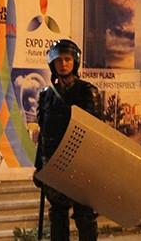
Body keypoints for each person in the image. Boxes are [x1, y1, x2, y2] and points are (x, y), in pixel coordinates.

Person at [34, 39, 101, 241]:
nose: (63, 64)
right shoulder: (46, 95)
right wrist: (39, 168)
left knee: (84, 216)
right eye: (59, 60)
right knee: (58, 215)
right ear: (52, 64)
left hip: (81, 164)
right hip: (55, 164)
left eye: (67, 59)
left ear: (75, 62)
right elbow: (44, 135)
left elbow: (95, 134)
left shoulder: (88, 92)